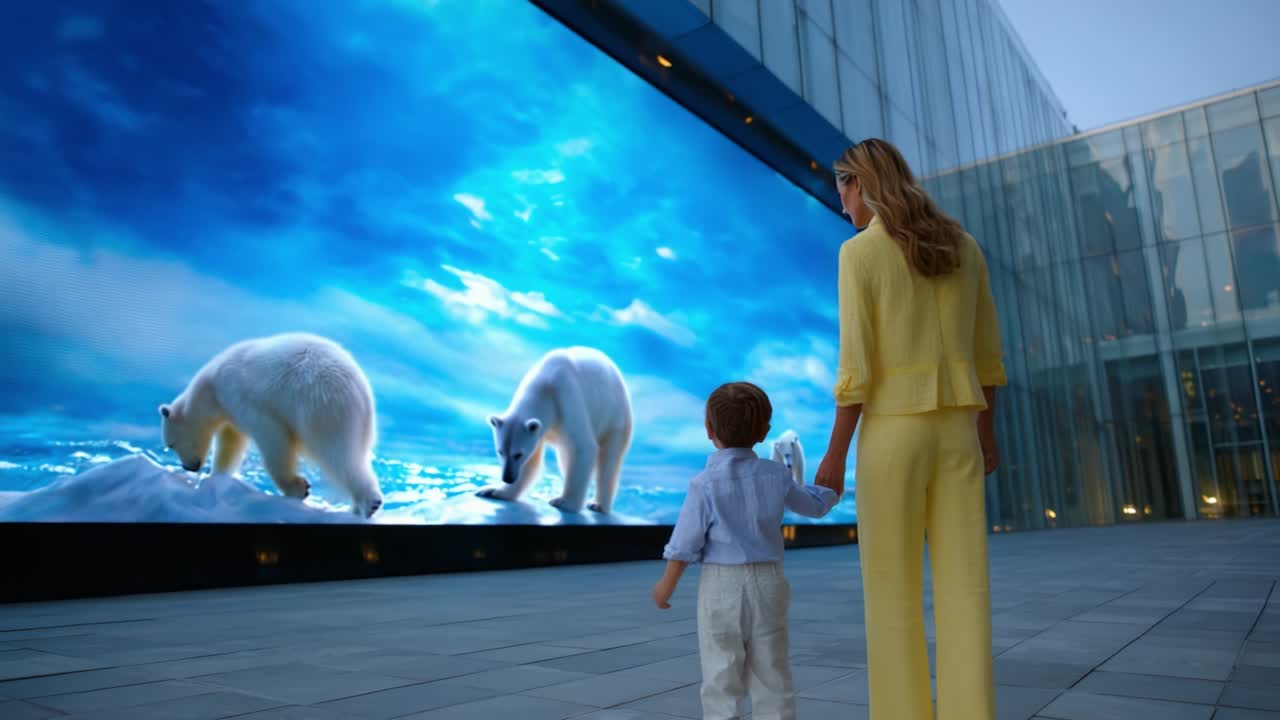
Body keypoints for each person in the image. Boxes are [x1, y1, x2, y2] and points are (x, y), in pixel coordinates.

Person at [814, 138, 1007, 720]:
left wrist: (833, 457)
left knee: (891, 589)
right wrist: (987, 432)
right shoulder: (965, 248)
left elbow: (857, 371)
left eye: (841, 186)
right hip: (958, 434)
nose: (840, 200)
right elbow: (988, 357)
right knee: (965, 585)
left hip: (893, 436)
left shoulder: (859, 255)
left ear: (860, 185)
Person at [652, 381, 839, 720]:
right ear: (765, 430)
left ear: (708, 430)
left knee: (721, 675)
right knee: (772, 674)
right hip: (769, 583)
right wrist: (831, 492)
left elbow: (685, 543)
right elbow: (813, 506)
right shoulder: (775, 476)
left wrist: (667, 584)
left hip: (720, 587)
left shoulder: (703, 484)